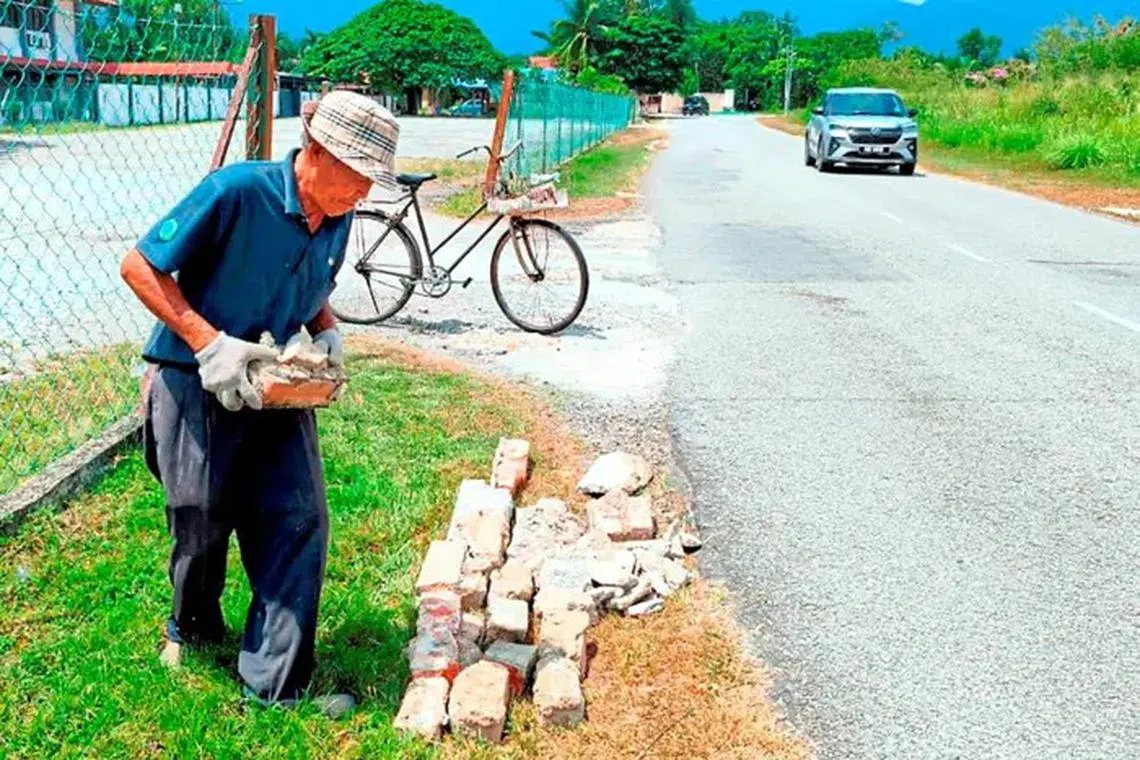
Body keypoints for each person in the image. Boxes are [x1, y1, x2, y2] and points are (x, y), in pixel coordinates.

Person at [120, 91, 399, 716]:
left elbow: (313, 282)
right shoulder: (237, 191)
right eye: (359, 176)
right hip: (194, 376)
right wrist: (209, 344)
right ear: (317, 153)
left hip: (273, 381)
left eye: (371, 183)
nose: (365, 194)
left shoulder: (339, 211)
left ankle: (275, 686)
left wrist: (324, 330)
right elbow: (140, 265)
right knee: (200, 516)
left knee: (298, 517)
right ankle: (191, 626)